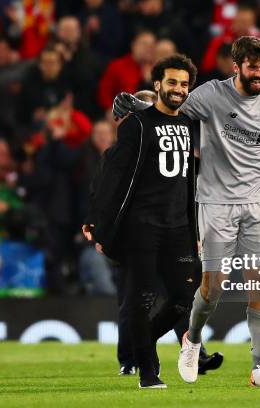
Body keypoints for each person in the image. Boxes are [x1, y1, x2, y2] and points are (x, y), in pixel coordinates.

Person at [113, 36, 260, 387]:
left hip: (258, 202)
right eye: (253, 67)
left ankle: (259, 368)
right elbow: (166, 108)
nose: (259, 74)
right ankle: (191, 340)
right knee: (213, 287)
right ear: (237, 66)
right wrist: (136, 102)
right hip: (216, 202)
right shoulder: (209, 96)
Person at [86, 55, 199, 389]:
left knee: (184, 298)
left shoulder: (189, 124)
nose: (178, 89)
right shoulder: (137, 124)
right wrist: (96, 218)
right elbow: (114, 172)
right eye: (172, 82)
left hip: (178, 227)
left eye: (183, 84)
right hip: (142, 227)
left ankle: (142, 341)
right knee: (141, 300)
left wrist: (193, 229)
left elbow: (188, 182)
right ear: (158, 85)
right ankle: (148, 372)